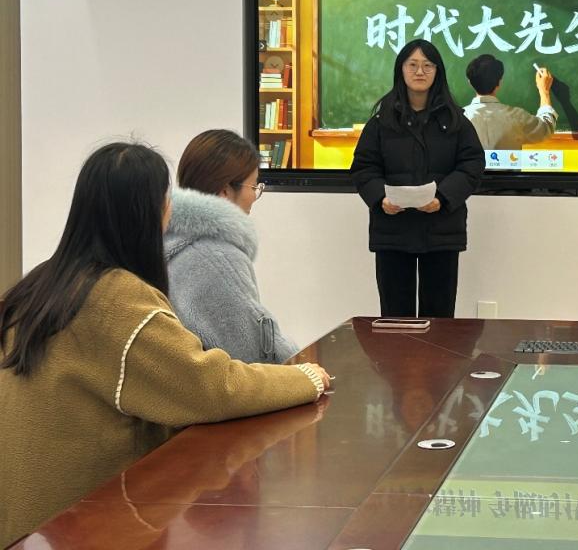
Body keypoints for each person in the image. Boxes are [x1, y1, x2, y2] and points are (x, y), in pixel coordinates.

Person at [0, 142, 331, 547]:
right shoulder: (118, 300)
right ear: (151, 212)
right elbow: (210, 387)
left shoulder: (39, 285)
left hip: (26, 517)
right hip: (82, 523)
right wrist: (304, 378)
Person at [351, 39, 484, 318]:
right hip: (393, 229)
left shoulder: (456, 121)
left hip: (441, 229)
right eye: (412, 64)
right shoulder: (381, 122)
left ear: (437, 71)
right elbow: (364, 167)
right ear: (401, 70)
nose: (420, 71)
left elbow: (472, 165)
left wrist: (443, 198)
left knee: (439, 319)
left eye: (427, 65)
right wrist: (380, 198)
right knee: (395, 318)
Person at [166, 129, 298, 363]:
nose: (255, 197)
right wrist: (301, 367)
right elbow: (251, 352)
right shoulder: (216, 258)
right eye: (254, 187)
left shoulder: (171, 238)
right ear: (226, 191)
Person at [462, 54, 558, 149]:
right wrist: (544, 91)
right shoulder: (517, 117)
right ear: (499, 82)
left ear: (470, 83)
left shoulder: (460, 119)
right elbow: (545, 128)